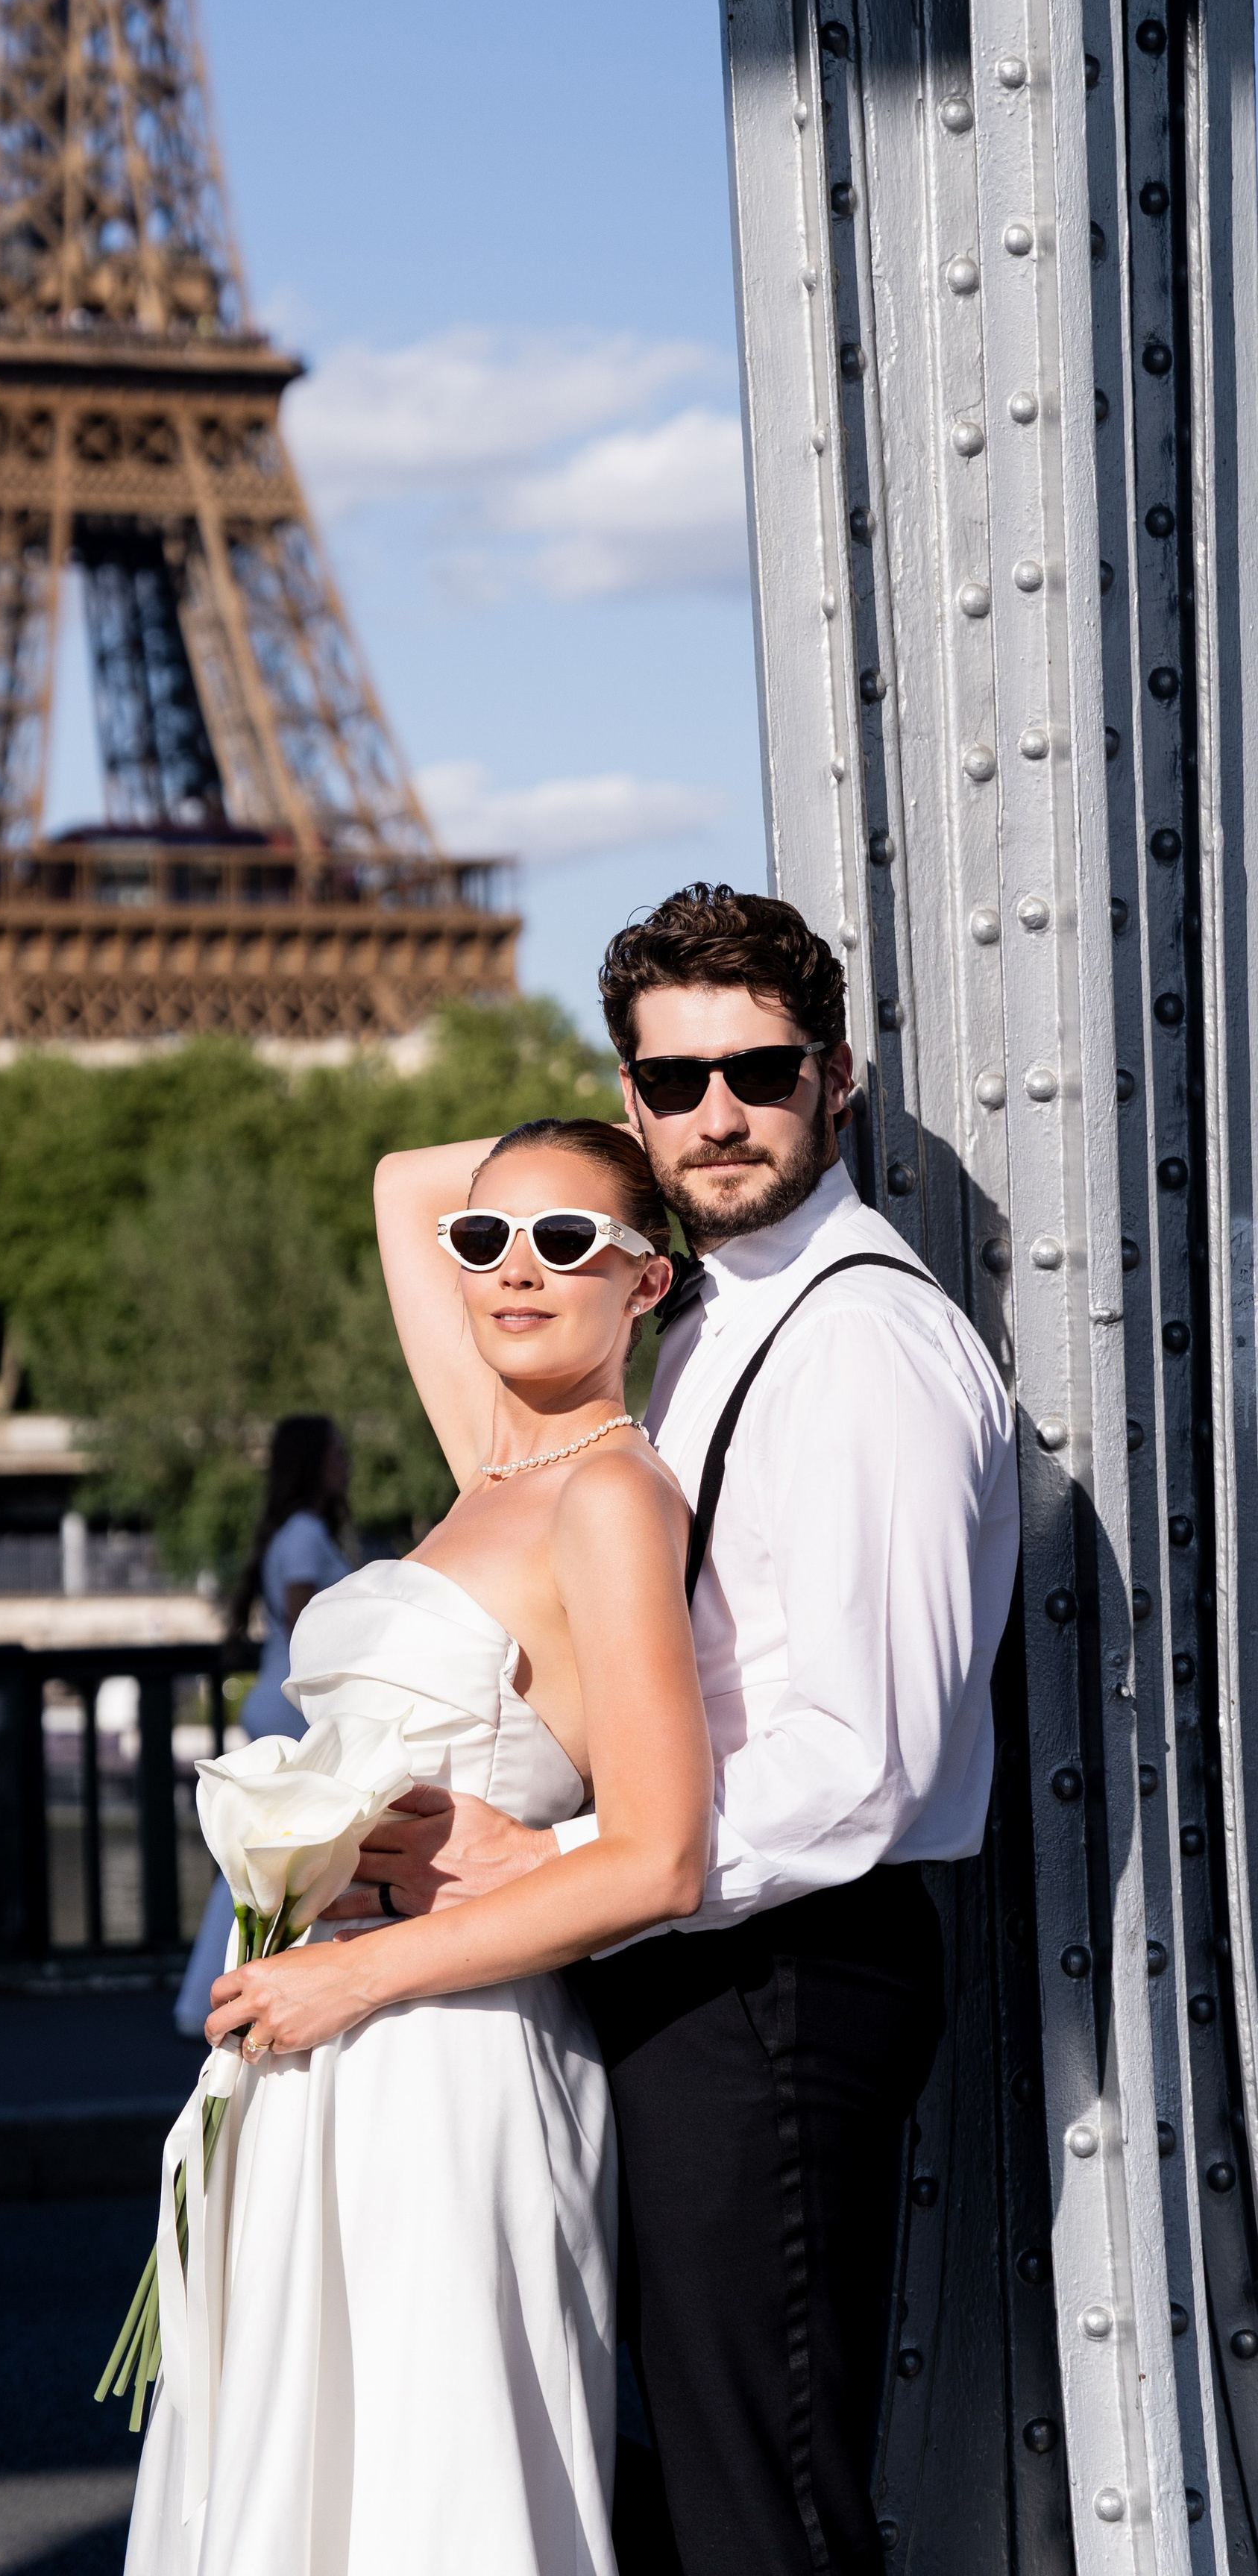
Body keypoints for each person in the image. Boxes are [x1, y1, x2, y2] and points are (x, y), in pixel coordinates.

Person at [317, 885, 1022, 2576]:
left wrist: (557, 1860)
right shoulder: (678, 1312)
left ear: (832, 1080)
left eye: (757, 1072)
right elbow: (420, 1191)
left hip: (774, 1970)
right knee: (645, 2459)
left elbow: (871, 1760)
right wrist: (598, 1185)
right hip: (676, 1947)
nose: (716, 1113)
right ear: (625, 1096)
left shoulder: (859, 1343)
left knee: (755, 2500)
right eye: (670, 1079)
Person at [125, 1119, 711, 2576]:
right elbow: (399, 1180)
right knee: (306, 2501)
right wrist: (648, 1129)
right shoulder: (486, 1471)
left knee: (434, 2509)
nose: (514, 1268)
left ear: (644, 1285)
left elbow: (658, 1859)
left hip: (445, 2058)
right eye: (488, 1240)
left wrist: (352, 1983)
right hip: (319, 2052)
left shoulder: (608, 1495)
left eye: (567, 1242)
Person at [172, 1416, 353, 2038]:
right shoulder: (305, 1536)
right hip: (296, 1705)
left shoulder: (293, 1533)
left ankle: (215, 1990)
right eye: (337, 1453)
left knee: (260, 1855)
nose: (345, 1463)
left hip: (277, 1700)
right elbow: (312, 1626)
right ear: (316, 1462)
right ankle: (211, 1995)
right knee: (261, 1858)